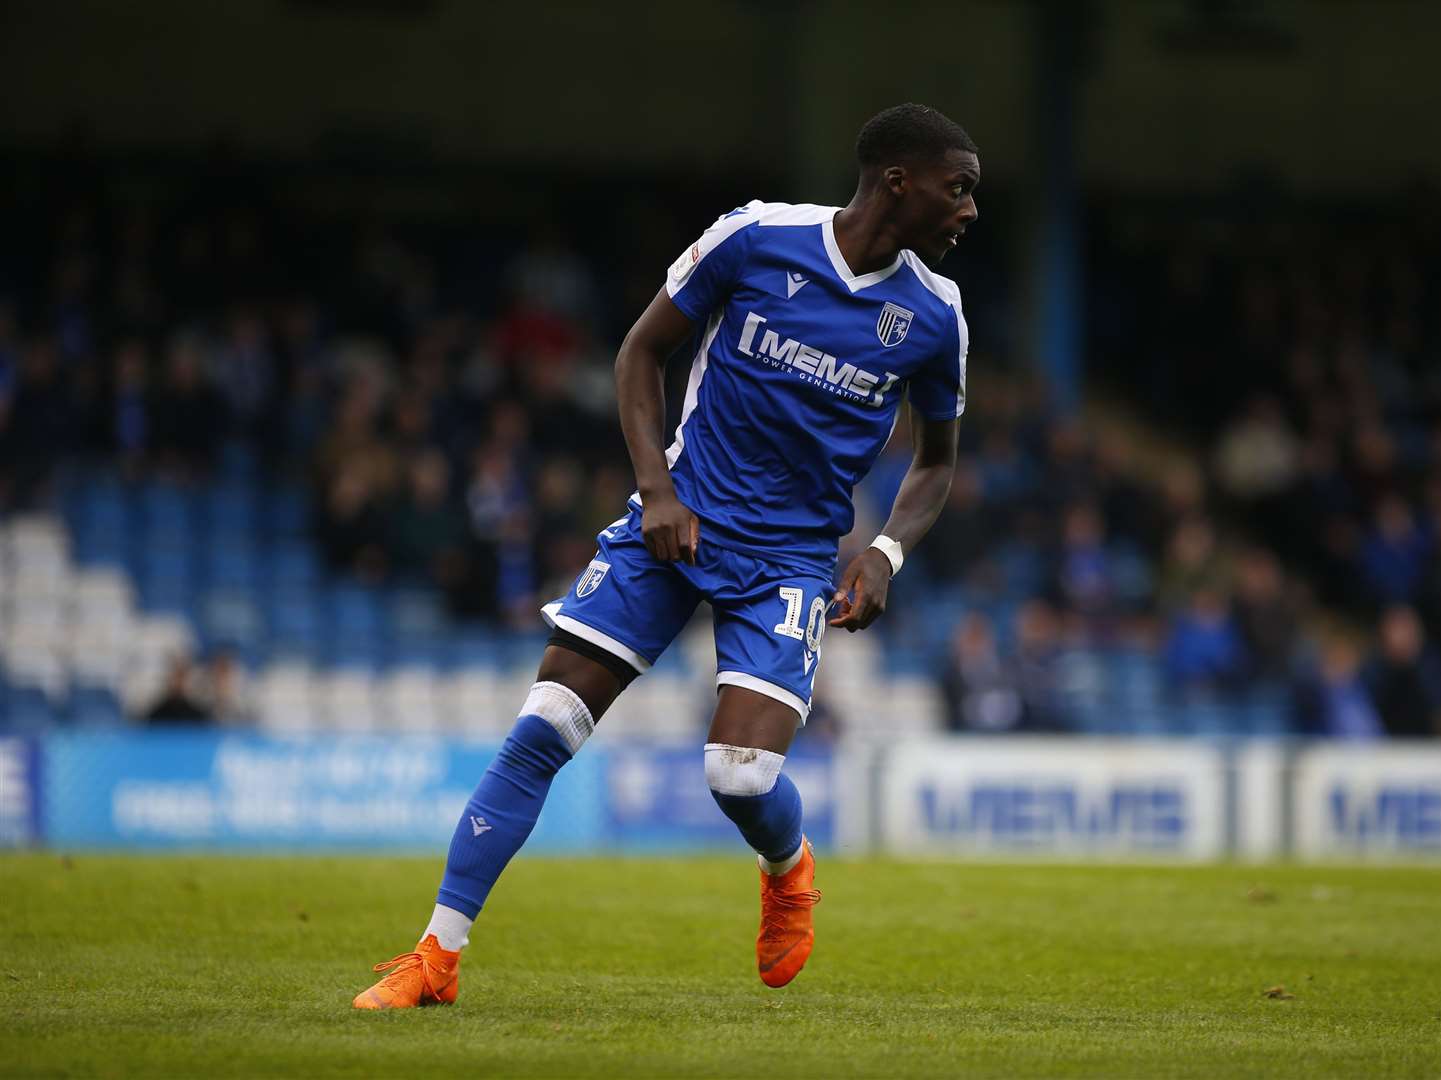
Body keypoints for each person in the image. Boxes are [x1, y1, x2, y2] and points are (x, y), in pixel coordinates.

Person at [353, 104, 979, 1008]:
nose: (967, 211)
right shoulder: (756, 237)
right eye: (957, 189)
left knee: (740, 776)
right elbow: (639, 353)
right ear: (897, 181)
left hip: (789, 561)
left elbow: (937, 461)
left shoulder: (935, 314)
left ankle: (788, 865)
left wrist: (884, 551)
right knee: (543, 727)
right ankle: (435, 959)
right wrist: (656, 489)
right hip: (675, 526)